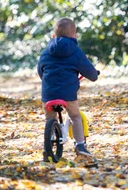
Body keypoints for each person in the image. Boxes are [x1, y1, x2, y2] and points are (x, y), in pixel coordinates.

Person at [37, 17, 99, 156]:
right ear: (74, 35)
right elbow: (89, 71)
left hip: (48, 93)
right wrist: (94, 75)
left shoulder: (46, 51)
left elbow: (40, 70)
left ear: (53, 36)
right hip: (68, 94)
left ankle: (48, 143)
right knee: (75, 117)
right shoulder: (75, 51)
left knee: (49, 118)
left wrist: (47, 81)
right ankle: (80, 145)